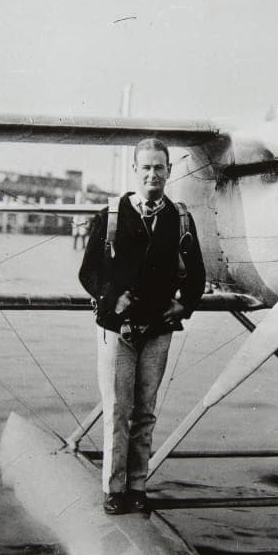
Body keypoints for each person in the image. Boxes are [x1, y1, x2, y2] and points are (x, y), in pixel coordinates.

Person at [79, 138, 206, 515]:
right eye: (146, 167)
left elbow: (196, 275)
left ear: (169, 172)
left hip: (158, 331)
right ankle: (113, 490)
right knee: (117, 409)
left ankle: (137, 486)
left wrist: (183, 306)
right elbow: (88, 272)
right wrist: (111, 298)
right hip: (117, 330)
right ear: (135, 170)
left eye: (160, 167)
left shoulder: (179, 217)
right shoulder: (112, 215)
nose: (153, 174)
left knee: (145, 412)